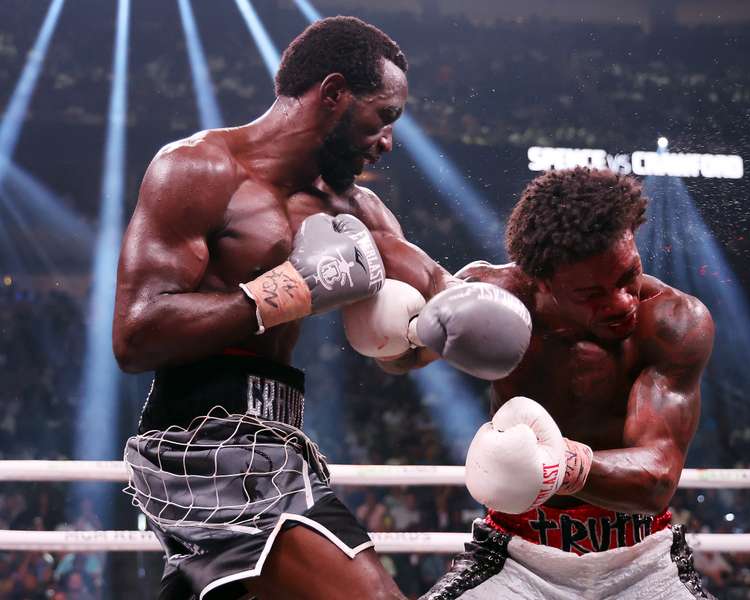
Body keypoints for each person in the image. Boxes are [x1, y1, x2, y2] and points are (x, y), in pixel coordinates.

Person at [113, 16, 530, 600]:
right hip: (200, 442)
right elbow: (136, 336)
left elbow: (427, 313)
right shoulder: (199, 169)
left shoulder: (360, 211)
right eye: (383, 117)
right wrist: (289, 290)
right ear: (333, 94)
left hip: (280, 438)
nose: (387, 141)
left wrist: (425, 334)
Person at [384, 167, 716, 598]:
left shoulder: (672, 322)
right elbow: (400, 360)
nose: (622, 302)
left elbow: (657, 478)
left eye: (627, 274)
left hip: (643, 561)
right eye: (591, 294)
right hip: (517, 555)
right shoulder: (493, 297)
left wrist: (558, 465)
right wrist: (397, 335)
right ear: (540, 280)